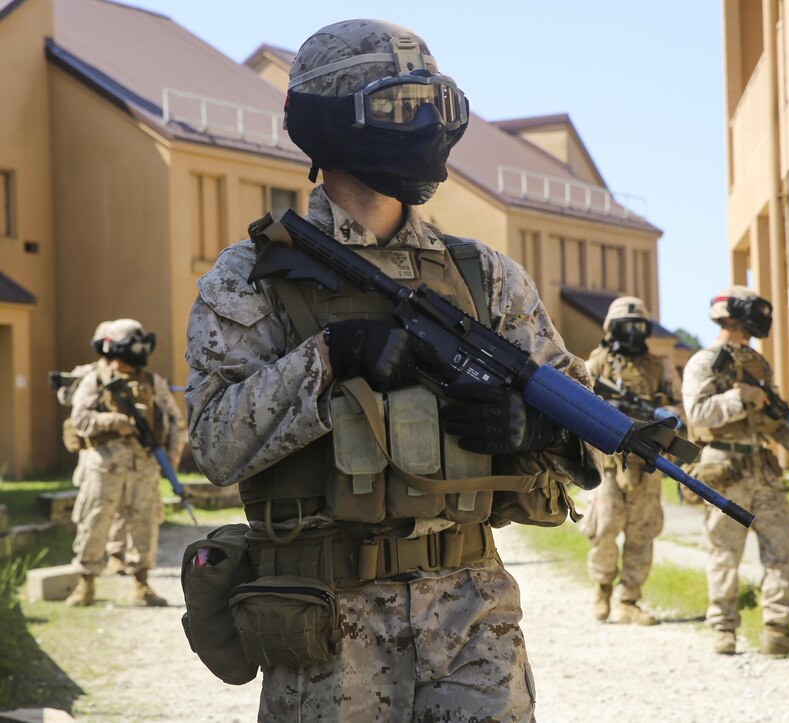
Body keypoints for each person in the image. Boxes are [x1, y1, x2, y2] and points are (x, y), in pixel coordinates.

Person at [184, 19, 599, 721]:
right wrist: (329, 356)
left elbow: (584, 432)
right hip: (327, 630)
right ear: (331, 117)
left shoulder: (485, 278)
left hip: (472, 619)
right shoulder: (252, 276)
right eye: (400, 105)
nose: (426, 126)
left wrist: (534, 429)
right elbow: (216, 445)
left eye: (438, 105)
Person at [681, 286, 789, 657]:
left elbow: (769, 417)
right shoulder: (703, 362)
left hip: (762, 469)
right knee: (725, 552)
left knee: (783, 549)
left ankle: (778, 628)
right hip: (723, 468)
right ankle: (724, 630)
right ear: (735, 317)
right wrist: (738, 397)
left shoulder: (758, 364)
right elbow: (697, 415)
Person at [65, 318, 186, 607]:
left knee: (145, 524)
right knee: (94, 522)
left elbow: (175, 422)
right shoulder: (95, 379)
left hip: (144, 467)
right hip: (103, 467)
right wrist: (112, 421)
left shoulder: (152, 381)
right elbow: (80, 419)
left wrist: (170, 459)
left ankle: (141, 584)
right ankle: (86, 584)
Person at [581, 296, 682, 625]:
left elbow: (678, 406)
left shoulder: (659, 365)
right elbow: (579, 406)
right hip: (609, 462)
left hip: (648, 461)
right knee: (605, 528)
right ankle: (602, 587)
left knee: (642, 532)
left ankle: (629, 599)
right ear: (611, 329)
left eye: (640, 326)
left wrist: (671, 418)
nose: (634, 333)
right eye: (627, 327)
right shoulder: (595, 364)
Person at [55, 322, 132, 576]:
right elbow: (69, 401)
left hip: (128, 457)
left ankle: (118, 556)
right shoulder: (90, 374)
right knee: (94, 514)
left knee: (125, 512)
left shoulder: (132, 373)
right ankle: (86, 574)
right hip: (96, 457)